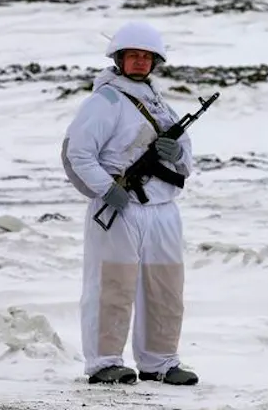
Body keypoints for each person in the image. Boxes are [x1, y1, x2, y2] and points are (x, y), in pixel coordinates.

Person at [60, 20, 199, 386]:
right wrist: (107, 189)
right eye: (133, 55)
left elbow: (186, 160)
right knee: (112, 286)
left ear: (155, 62)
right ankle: (104, 362)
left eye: (146, 57)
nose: (140, 61)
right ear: (119, 59)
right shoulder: (105, 101)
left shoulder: (160, 103)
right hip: (120, 208)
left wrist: (176, 155)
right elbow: (79, 153)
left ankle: (160, 362)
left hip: (163, 209)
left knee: (166, 287)